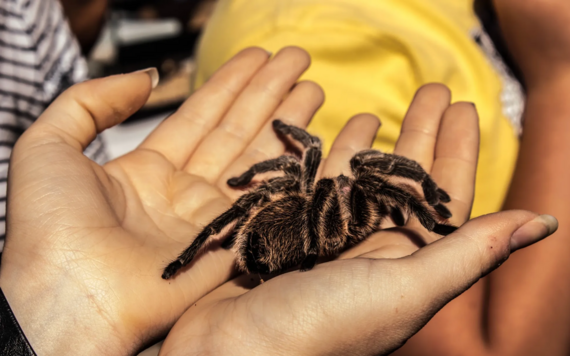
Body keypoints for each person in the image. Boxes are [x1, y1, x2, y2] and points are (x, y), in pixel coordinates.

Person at [0, 47, 557, 355]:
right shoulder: (350, 201)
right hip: (301, 241)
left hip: (283, 241)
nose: (344, 181)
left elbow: (298, 161)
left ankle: (187, 257)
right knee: (346, 176)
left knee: (269, 193)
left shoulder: (301, 185)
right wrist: (431, 212)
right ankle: (427, 215)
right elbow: (371, 179)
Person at [192, 1, 570, 354]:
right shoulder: (316, 33)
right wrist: (559, 74)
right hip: (295, 244)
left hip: (303, 229)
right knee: (353, 180)